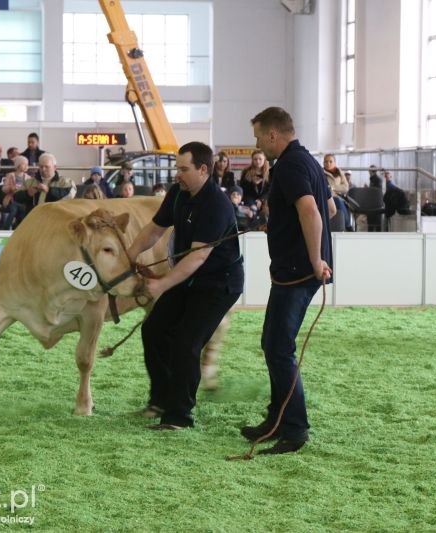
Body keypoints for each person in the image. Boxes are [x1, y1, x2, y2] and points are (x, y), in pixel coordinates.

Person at [126, 141, 244, 430]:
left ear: (203, 170)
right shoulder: (178, 193)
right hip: (189, 278)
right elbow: (154, 230)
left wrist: (162, 285)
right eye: (176, 168)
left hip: (218, 284)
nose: (176, 174)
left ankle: (179, 416)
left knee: (186, 342)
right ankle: (161, 400)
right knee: (153, 329)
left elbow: (198, 257)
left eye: (183, 168)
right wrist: (128, 257)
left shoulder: (217, 204)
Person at [242, 107, 334, 454]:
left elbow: (311, 211)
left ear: (272, 135)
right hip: (296, 269)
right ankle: (278, 418)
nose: (257, 145)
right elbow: (332, 209)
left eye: (258, 137)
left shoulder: (291, 165)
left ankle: (294, 429)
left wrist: (314, 259)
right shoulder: (308, 161)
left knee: (279, 348)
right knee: (273, 343)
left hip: (298, 271)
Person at [323, 154, 353, 231]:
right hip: (326, 198)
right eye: (326, 162)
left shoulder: (339, 173)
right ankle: (348, 225)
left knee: (338, 201)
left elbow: (346, 187)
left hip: (338, 198)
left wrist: (332, 187)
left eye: (330, 161)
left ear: (335, 163)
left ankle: (347, 225)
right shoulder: (321, 173)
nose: (328, 163)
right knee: (336, 201)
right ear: (323, 163)